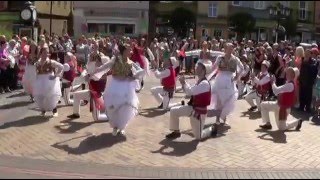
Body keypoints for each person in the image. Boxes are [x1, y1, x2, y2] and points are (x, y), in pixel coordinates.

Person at [88, 42, 145, 136]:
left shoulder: (131, 62)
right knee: (114, 107)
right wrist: (93, 73)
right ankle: (115, 126)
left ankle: (122, 127)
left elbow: (140, 71)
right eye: (128, 50)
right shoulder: (115, 60)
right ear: (123, 51)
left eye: (130, 50)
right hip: (115, 86)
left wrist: (135, 76)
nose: (130, 51)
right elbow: (104, 67)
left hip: (127, 88)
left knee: (126, 108)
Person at [165, 62, 214, 140]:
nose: (196, 68)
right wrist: (184, 83)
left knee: (199, 136)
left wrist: (183, 82)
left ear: (204, 70)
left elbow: (190, 92)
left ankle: (212, 129)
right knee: (173, 111)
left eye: (199, 67)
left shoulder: (204, 83)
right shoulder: (200, 81)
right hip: (193, 108)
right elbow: (190, 91)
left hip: (199, 113)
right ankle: (176, 132)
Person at [68, 41, 109, 121]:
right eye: (93, 47)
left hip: (98, 92)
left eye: (96, 47)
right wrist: (84, 74)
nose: (94, 49)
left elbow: (102, 74)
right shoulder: (90, 57)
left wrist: (90, 76)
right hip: (91, 90)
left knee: (96, 118)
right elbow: (87, 69)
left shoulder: (103, 58)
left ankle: (112, 118)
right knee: (76, 95)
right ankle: (76, 114)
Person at [210, 43, 244, 136]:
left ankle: (224, 117)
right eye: (228, 48)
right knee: (218, 100)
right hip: (220, 80)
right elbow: (214, 67)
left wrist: (237, 76)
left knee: (228, 99)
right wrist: (211, 68)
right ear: (224, 49)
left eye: (231, 48)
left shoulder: (235, 59)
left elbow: (242, 68)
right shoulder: (220, 58)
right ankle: (217, 118)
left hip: (229, 80)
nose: (229, 50)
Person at [33, 44, 64, 117]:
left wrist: (56, 75)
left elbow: (61, 66)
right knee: (41, 95)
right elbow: (36, 72)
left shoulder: (51, 62)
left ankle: (54, 110)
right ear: (40, 53)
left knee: (50, 95)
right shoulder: (37, 63)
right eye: (43, 52)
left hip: (49, 80)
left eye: (46, 52)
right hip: (40, 80)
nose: (45, 54)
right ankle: (43, 110)